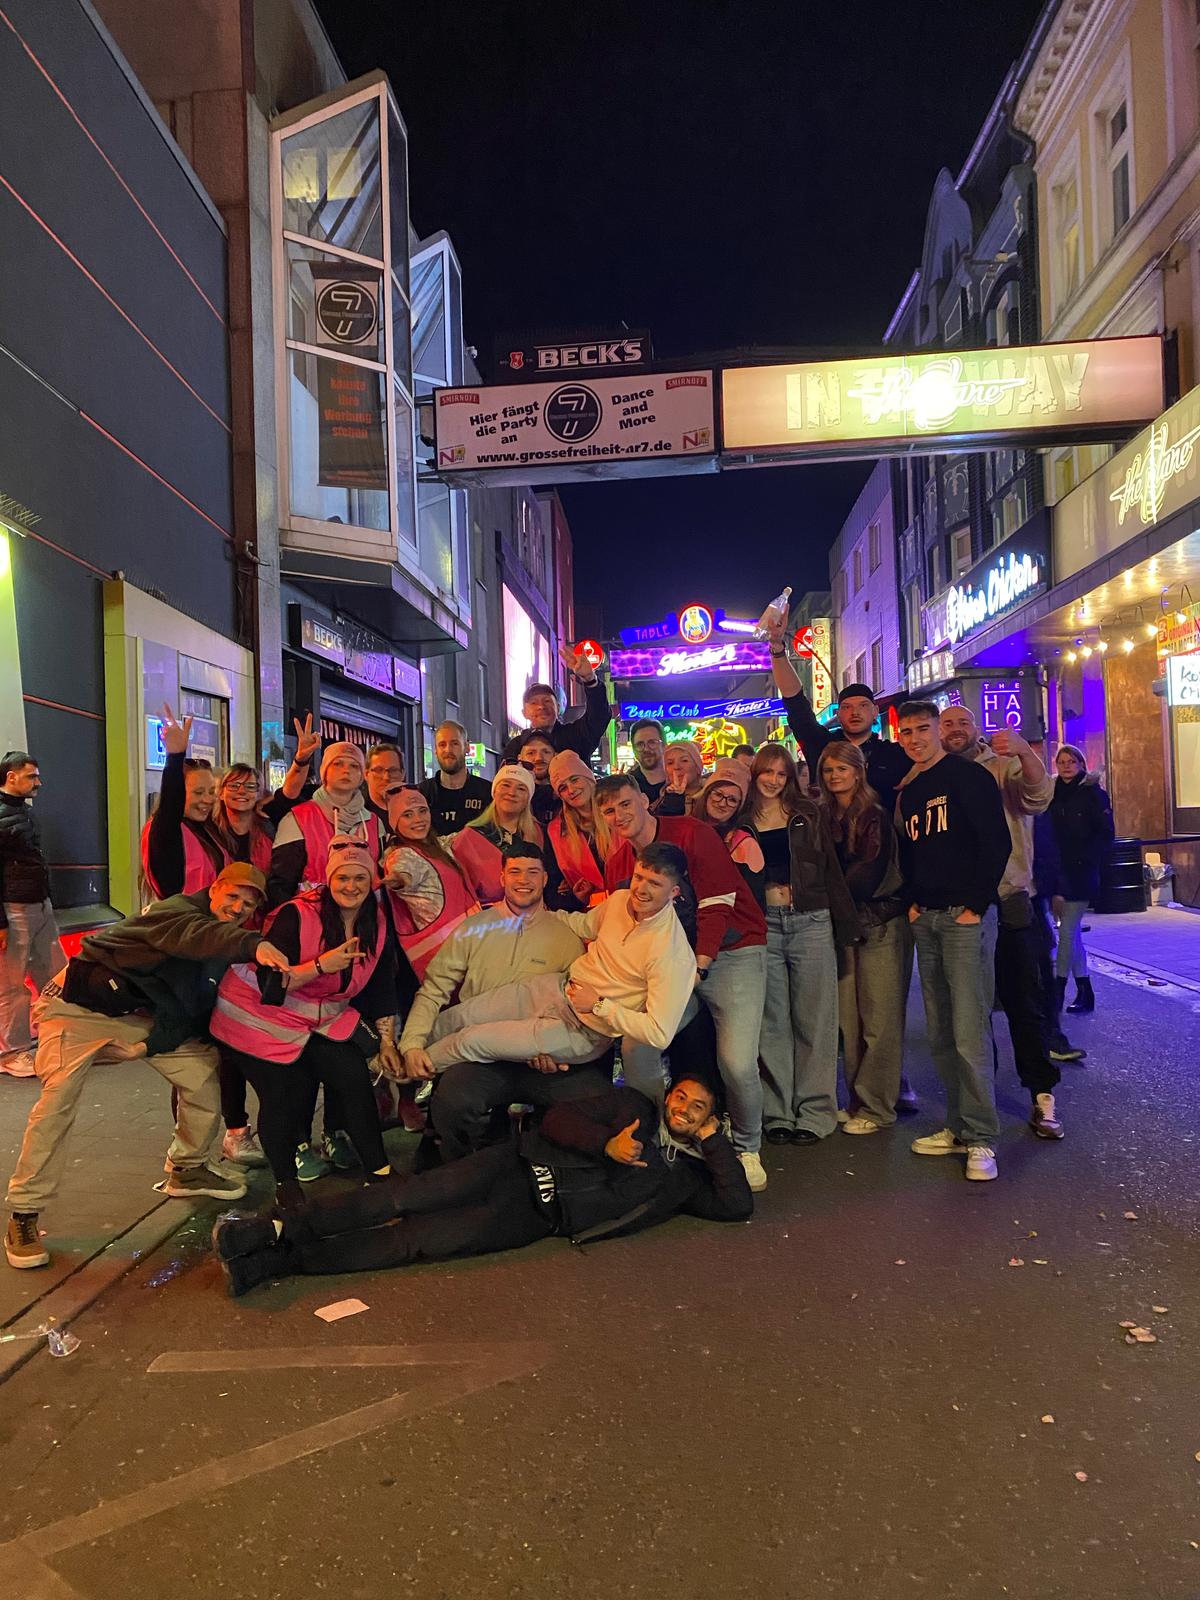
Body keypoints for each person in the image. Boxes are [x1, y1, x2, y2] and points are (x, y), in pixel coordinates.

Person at [211, 1075, 752, 1296]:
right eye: (681, 1097)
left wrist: (713, 1143)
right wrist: (604, 1145)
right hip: (512, 1165)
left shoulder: (680, 1179)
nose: (681, 1109)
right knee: (398, 1197)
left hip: (533, 1219)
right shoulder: (633, 1105)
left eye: (697, 1108)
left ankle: (271, 1265)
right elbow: (559, 1119)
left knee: (413, 1241)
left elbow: (735, 1205)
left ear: (709, 1119)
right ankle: (269, 1229)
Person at [4, 862, 288, 1268]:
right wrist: (253, 944)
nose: (238, 907)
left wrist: (148, 1045)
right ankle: (24, 1213)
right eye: (232, 896)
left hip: (135, 1015)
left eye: (247, 903)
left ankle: (188, 1168)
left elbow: (187, 1005)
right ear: (214, 889)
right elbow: (198, 936)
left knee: (201, 1069)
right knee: (57, 1102)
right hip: (75, 1009)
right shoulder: (176, 914)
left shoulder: (218, 946)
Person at [597, 775, 769, 1192]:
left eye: (624, 805)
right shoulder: (619, 863)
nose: (618, 816)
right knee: (638, 1046)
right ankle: (656, 1129)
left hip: (732, 952)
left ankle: (747, 1147)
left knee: (737, 1062)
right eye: (607, 811)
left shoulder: (693, 833)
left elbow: (717, 905)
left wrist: (699, 967)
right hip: (671, 967)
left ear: (643, 800)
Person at [210, 845, 401, 1209]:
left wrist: (387, 1043)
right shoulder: (298, 915)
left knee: (351, 1074)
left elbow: (380, 985)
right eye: (342, 877)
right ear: (328, 881)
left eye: (360, 877)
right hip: (255, 1015)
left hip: (315, 1016)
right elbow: (271, 985)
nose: (351, 885)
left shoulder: (374, 919)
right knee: (285, 1091)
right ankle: (286, 1186)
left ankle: (380, 1172)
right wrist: (322, 965)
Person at [402, 843, 696, 1077]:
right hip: (558, 988)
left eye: (654, 884)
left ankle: (405, 1072)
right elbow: (582, 925)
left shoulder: (672, 954)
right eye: (638, 877)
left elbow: (658, 1032)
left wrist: (600, 1005)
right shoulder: (620, 900)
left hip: (585, 1030)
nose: (641, 890)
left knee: (470, 1040)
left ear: (674, 892)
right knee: (460, 1016)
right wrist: (535, 916)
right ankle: (397, 1056)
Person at [400, 841, 607, 1161]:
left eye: (532, 872)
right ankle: (459, 1169)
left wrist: (554, 1050)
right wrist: (413, 1043)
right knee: (453, 1101)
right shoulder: (474, 928)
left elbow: (573, 1008)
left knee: (597, 1098)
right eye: (515, 871)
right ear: (502, 877)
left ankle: (543, 1162)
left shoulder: (566, 937)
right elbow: (432, 990)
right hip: (480, 1060)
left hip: (538, 1057)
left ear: (545, 879)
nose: (523, 879)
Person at [895, 702, 1012, 1182]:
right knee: (941, 1030)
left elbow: (997, 844)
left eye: (923, 729)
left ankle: (982, 1137)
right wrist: (913, 902)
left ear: (939, 731)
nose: (915, 738)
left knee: (968, 1031)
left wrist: (977, 906)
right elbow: (910, 849)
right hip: (927, 917)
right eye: (907, 732)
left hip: (965, 920)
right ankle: (958, 1127)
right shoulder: (912, 788)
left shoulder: (969, 777)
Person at [939, 707, 1065, 1140]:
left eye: (962, 722)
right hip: (958, 907)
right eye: (947, 724)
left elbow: (1038, 796)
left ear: (976, 728)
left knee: (1023, 1002)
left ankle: (1042, 1095)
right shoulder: (934, 773)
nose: (954, 730)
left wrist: (1026, 754)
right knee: (969, 1012)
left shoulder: (1001, 764)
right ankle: (981, 1101)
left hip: (1008, 899)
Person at [739, 746, 859, 1146]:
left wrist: (845, 925)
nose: (772, 780)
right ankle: (777, 1111)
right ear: (754, 774)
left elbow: (830, 869)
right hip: (765, 924)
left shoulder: (808, 813)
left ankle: (815, 1112)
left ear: (790, 777)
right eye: (766, 772)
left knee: (815, 1021)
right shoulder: (742, 819)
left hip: (810, 920)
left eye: (781, 773)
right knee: (771, 1023)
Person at [817, 741, 907, 1134]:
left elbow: (866, 875)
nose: (834, 776)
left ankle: (878, 1106)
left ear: (858, 771)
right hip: (844, 923)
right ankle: (857, 1100)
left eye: (841, 769)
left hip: (878, 920)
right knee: (849, 1021)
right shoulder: (823, 814)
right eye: (828, 770)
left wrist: (823, 896)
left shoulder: (873, 814)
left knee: (879, 1018)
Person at [763, 619, 911, 816]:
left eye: (863, 706)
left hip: (883, 843)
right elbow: (796, 703)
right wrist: (777, 649)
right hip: (829, 841)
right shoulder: (822, 745)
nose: (855, 712)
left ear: (875, 711)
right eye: (847, 707)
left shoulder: (893, 754)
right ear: (838, 714)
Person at [0, 751, 65, 1078]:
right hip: (15, 909)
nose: (38, 782)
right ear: (11, 777)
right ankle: (12, 1053)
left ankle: (62, 1039)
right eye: (31, 776)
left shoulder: (24, 813)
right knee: (12, 985)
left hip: (38, 904)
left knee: (56, 975)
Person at [381, 787, 480, 980]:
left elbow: (466, 833)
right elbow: (405, 872)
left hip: (469, 951)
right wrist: (398, 879)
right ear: (395, 823)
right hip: (443, 962)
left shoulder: (440, 847)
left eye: (422, 811)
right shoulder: (403, 855)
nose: (418, 819)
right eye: (407, 815)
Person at [268, 741, 383, 906]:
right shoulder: (297, 819)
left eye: (354, 766)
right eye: (338, 764)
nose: (346, 770)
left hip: (364, 921)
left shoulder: (374, 823)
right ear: (325, 771)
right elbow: (281, 886)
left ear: (361, 776)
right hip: (312, 919)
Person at [1048, 744, 1114, 1015]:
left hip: (1080, 872)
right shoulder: (1052, 795)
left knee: (1065, 933)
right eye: (1062, 761)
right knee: (1071, 935)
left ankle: (1058, 991)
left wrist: (1087, 860)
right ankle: (1086, 992)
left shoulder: (1092, 794)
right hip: (1056, 874)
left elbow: (1105, 834)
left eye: (1071, 761)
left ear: (1081, 763)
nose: (1066, 765)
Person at [141, 705, 226, 900]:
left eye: (211, 792)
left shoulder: (208, 830)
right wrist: (175, 756)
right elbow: (170, 806)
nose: (207, 799)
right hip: (185, 926)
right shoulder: (166, 831)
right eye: (198, 792)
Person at [451, 765, 544, 906]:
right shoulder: (469, 838)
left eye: (521, 788)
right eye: (506, 785)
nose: (512, 793)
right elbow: (458, 894)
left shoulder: (538, 834)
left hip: (533, 919)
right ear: (494, 791)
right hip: (487, 922)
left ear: (528, 798)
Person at [502, 644, 612, 763]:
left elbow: (599, 716)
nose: (541, 707)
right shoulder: (516, 746)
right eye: (533, 703)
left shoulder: (576, 736)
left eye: (547, 701)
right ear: (524, 713)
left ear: (558, 707)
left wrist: (590, 679)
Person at [692, 758, 765, 905]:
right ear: (707, 794)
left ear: (739, 806)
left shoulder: (744, 844)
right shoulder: (689, 829)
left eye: (732, 800)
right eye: (718, 794)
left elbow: (753, 903)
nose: (722, 803)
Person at [545, 751, 611, 910]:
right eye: (563, 787)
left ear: (589, 778)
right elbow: (552, 892)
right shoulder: (555, 832)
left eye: (574, 779)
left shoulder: (616, 813)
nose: (571, 790)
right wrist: (575, 897)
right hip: (588, 917)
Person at [419, 720, 491, 835]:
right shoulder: (421, 794)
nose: (448, 750)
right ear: (435, 750)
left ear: (467, 747)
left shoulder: (488, 792)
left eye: (455, 743)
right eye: (442, 745)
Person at [516, 732, 561, 827]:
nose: (538, 758)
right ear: (520, 758)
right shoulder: (512, 796)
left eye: (546, 752)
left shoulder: (567, 794)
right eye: (530, 753)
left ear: (556, 755)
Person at [654, 740, 706, 817]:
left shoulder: (712, 799)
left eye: (684, 761)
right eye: (670, 763)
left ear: (698, 767)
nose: (676, 767)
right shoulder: (658, 801)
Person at [364, 743, 406, 829]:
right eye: (379, 770)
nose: (386, 777)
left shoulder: (415, 810)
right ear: (366, 774)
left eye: (393, 770)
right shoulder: (357, 813)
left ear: (403, 774)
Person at [628, 719, 668, 804]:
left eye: (652, 742)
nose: (646, 749)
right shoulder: (628, 786)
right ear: (633, 749)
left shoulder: (679, 781)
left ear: (664, 745)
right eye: (640, 744)